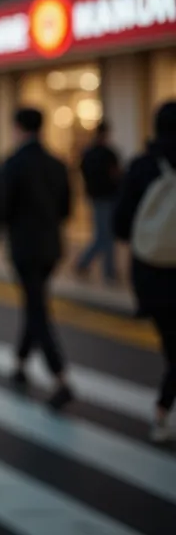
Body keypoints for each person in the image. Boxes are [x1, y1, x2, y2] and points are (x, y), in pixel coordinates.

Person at [0, 107, 74, 410]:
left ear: (17, 128)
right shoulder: (57, 163)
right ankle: (19, 363)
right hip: (51, 247)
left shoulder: (13, 164)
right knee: (35, 301)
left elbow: (2, 208)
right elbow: (66, 209)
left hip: (24, 246)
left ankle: (60, 377)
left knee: (36, 308)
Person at [113, 101, 176, 443]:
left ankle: (162, 412)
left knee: (170, 343)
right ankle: (163, 410)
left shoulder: (141, 166)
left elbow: (122, 225)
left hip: (151, 274)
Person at [76, 120, 122, 284]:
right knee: (105, 236)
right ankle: (102, 269)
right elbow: (117, 173)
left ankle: (94, 266)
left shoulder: (89, 153)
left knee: (104, 234)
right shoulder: (108, 153)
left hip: (96, 197)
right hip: (106, 196)